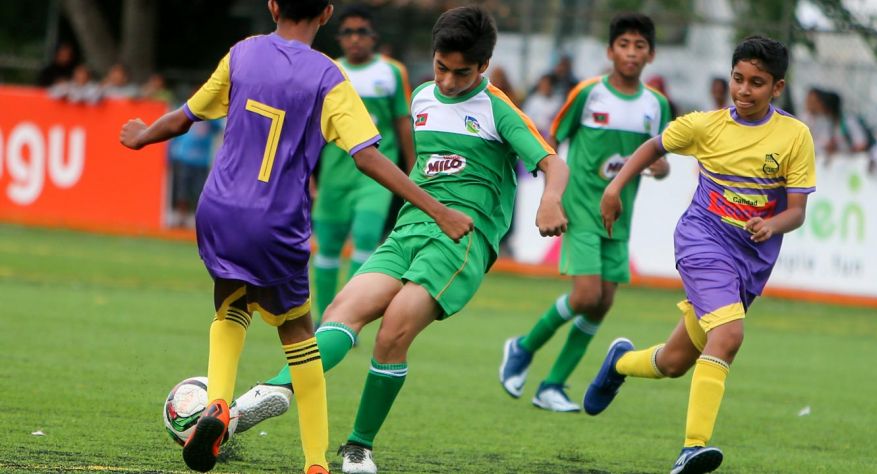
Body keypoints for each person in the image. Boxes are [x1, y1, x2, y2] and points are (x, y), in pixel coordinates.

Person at [118, 0, 472, 472]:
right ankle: (315, 463)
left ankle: (217, 405)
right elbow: (366, 156)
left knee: (230, 307)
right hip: (275, 221)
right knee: (300, 336)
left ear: (272, 5)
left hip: (219, 209)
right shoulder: (328, 77)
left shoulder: (242, 53)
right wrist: (437, 208)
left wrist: (143, 136)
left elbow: (186, 115)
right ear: (327, 14)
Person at [233, 6, 568, 473]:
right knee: (340, 314)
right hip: (410, 228)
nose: (449, 81)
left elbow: (554, 162)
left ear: (485, 67)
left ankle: (358, 448)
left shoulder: (499, 109)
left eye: (462, 72)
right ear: (433, 58)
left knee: (393, 332)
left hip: (462, 238)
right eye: (441, 68)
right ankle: (267, 394)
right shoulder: (423, 97)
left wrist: (549, 201)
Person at [583, 36, 816, 473]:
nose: (744, 90)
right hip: (702, 240)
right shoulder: (704, 125)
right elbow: (654, 147)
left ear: (777, 88)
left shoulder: (794, 136)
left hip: (750, 260)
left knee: (673, 363)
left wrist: (772, 224)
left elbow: (798, 211)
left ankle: (620, 361)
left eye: (757, 83)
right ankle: (692, 447)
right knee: (727, 337)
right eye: (738, 79)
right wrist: (615, 187)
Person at [499, 13, 671, 413]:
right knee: (586, 294)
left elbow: (657, 158)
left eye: (639, 46)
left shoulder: (657, 105)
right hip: (580, 205)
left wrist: (661, 169)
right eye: (624, 45)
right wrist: (551, 194)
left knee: (603, 301)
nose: (631, 52)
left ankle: (553, 385)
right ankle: (522, 347)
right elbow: (553, 137)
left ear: (651, 54)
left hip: (620, 214)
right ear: (610, 51)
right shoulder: (588, 93)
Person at [308, 4, 415, 328]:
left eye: (362, 32)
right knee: (326, 247)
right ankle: (324, 318)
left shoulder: (392, 72)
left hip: (376, 174)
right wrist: (305, 174)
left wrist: (414, 171)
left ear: (374, 36)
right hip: (334, 172)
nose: (355, 39)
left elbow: (402, 122)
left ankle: (349, 317)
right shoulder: (328, 71)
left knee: (367, 236)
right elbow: (313, 128)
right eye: (348, 32)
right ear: (339, 38)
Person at [168, 118, 221, 228]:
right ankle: (181, 216)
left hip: (201, 160)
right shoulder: (187, 109)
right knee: (182, 190)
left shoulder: (212, 116)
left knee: (199, 192)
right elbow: (177, 130)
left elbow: (218, 129)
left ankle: (198, 219)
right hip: (185, 157)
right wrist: (172, 153)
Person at [521, 74, 563, 138]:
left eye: (547, 84)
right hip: (536, 134)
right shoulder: (533, 101)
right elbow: (525, 118)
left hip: (552, 135)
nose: (545, 87)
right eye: (543, 84)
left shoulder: (558, 101)